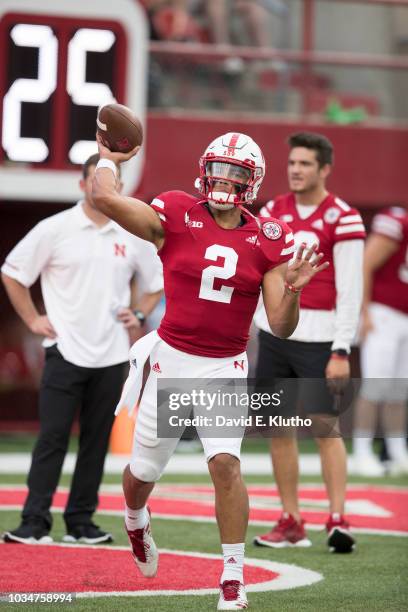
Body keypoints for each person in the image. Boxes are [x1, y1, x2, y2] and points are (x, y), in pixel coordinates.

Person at [91, 131, 328, 610]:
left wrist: (295, 290)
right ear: (203, 170)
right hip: (170, 360)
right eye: (219, 168)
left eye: (236, 172)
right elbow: (104, 198)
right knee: (141, 473)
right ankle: (135, 519)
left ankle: (233, 577)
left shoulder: (265, 239)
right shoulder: (176, 213)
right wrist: (106, 159)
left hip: (224, 365)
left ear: (252, 182)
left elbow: (280, 327)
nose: (224, 179)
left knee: (225, 464)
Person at [1, 153, 163, 545]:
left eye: (110, 182)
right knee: (52, 438)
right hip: (64, 349)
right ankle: (34, 520)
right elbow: (12, 272)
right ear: (82, 184)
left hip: (111, 355)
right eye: (95, 180)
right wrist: (32, 320)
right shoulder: (54, 228)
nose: (103, 187)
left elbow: (156, 281)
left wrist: (139, 313)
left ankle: (81, 521)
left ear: (120, 188)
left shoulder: (132, 235)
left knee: (96, 441)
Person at [253, 132, 366, 553]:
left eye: (305, 163)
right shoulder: (272, 211)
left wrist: (341, 349)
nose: (296, 170)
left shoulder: (343, 216)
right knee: (277, 428)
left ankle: (338, 518)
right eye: (292, 163)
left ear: (324, 169)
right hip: (275, 334)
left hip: (321, 338)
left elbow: (352, 288)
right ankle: (291, 518)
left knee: (325, 428)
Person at [353, 206, 408, 476]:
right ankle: (362, 452)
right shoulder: (397, 221)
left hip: (403, 319)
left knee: (399, 391)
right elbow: (366, 263)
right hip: (382, 314)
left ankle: (398, 452)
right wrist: (364, 312)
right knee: (374, 388)